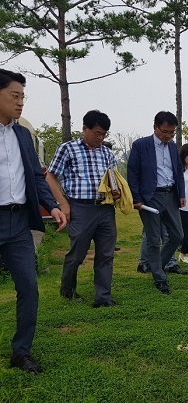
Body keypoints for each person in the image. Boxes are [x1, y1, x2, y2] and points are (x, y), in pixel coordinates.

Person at [0, 69, 66, 374]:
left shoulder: (23, 135)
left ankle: (21, 351)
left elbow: (36, 177)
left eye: (23, 97)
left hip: (17, 223)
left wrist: (51, 207)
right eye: (15, 96)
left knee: (29, 286)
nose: (21, 102)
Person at [46, 110, 121, 307]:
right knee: (77, 253)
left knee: (106, 254)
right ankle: (68, 289)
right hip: (79, 208)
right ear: (85, 129)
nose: (100, 137)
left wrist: (116, 191)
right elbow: (50, 177)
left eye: (104, 134)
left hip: (105, 209)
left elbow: (113, 178)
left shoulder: (107, 153)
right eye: (97, 133)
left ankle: (103, 297)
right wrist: (63, 204)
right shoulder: (68, 149)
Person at [127, 111, 186, 294]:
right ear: (155, 127)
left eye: (172, 132)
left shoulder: (172, 147)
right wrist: (136, 198)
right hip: (150, 197)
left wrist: (181, 193)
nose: (168, 136)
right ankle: (160, 278)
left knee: (177, 235)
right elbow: (133, 172)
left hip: (170, 195)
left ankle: (156, 266)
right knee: (153, 239)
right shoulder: (141, 145)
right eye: (165, 131)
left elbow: (178, 172)